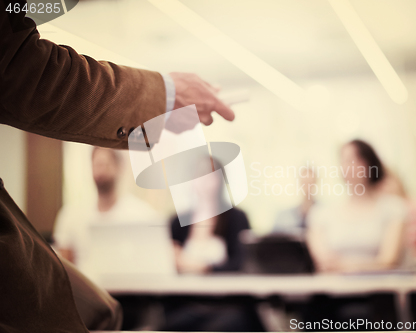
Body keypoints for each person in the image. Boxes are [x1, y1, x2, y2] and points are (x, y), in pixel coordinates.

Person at [0, 2, 235, 331]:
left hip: (194, 305)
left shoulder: (222, 219)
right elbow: (21, 69)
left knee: (100, 313)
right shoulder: (83, 215)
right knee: (95, 315)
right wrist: (163, 95)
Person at [53, 147, 163, 276]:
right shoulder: (71, 214)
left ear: (120, 167)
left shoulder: (143, 215)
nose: (101, 171)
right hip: (84, 291)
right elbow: (65, 267)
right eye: (97, 164)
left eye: (106, 164)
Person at [307, 139, 407, 273]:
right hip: (334, 290)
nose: (349, 166)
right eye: (345, 160)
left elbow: (389, 260)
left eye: (356, 160)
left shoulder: (393, 208)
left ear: (370, 164)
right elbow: (322, 261)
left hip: (381, 288)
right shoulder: (321, 214)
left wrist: (345, 266)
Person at [170, 157, 250, 274]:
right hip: (183, 289)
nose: (204, 181)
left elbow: (242, 262)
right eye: (199, 175)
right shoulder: (178, 221)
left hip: (226, 289)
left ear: (221, 180)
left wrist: (204, 268)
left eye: (210, 175)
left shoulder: (236, 218)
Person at [272, 167, 316, 235]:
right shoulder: (284, 217)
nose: (307, 188)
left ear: (315, 183)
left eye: (310, 183)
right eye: (304, 183)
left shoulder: (325, 214)